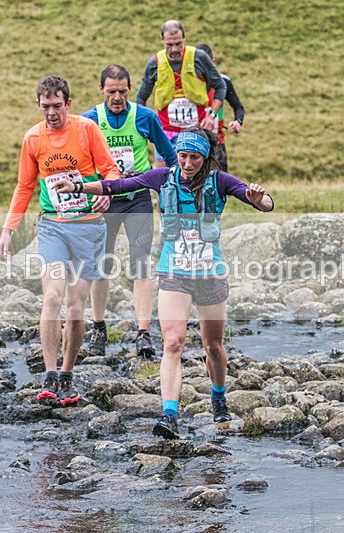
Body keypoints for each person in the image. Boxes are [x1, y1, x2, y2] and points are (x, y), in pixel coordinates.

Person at [53, 128, 274, 439]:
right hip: (174, 272)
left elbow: (266, 203)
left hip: (210, 273)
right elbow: (117, 186)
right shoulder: (162, 178)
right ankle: (169, 414)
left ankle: (218, 393)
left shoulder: (220, 181)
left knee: (213, 346)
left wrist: (258, 199)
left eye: (194, 157)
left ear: (205, 157)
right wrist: (78, 186)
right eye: (182, 156)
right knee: (173, 342)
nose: (187, 163)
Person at [0, 75, 121, 406]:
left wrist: (105, 194)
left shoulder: (86, 130)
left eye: (56, 106)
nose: (51, 113)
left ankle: (67, 374)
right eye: (45, 107)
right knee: (52, 297)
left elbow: (111, 171)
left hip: (89, 226)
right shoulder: (33, 139)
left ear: (68, 103)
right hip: (52, 225)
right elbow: (24, 186)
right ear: (38, 105)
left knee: (75, 305)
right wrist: (9, 229)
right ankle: (50, 374)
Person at [81, 64, 178, 359]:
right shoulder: (90, 121)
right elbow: (81, 164)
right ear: (102, 90)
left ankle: (143, 333)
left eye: (123, 91)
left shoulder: (145, 117)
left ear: (129, 89)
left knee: (141, 262)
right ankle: (98, 328)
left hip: (137, 199)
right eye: (111, 92)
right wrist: (90, 191)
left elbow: (170, 157)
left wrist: (170, 190)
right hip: (105, 201)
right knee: (101, 265)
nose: (117, 97)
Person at [135, 20, 226, 168]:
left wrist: (212, 116)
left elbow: (220, 86)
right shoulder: (155, 63)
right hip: (166, 133)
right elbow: (140, 99)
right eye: (169, 45)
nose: (174, 49)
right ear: (162, 40)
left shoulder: (199, 57)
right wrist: (144, 127)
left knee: (198, 177)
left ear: (184, 38)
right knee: (165, 178)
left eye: (178, 44)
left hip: (196, 130)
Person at [195, 44, 245, 172]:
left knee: (220, 185)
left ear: (213, 61)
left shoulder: (224, 81)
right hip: (194, 143)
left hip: (217, 143)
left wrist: (237, 122)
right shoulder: (188, 82)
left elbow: (238, 107)